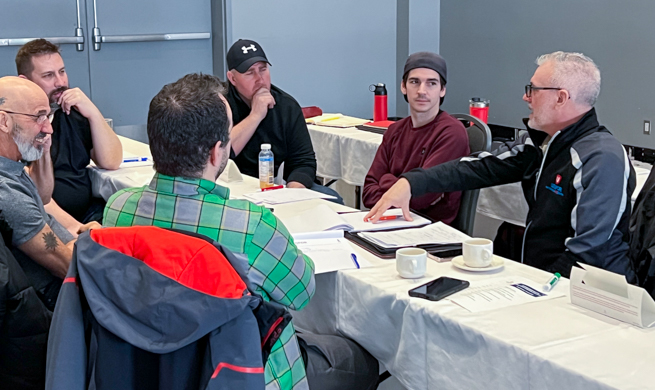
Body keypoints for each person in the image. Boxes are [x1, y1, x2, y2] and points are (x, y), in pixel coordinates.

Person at [104, 73, 377, 390]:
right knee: (363, 363)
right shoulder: (250, 225)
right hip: (246, 376)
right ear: (217, 152)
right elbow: (302, 293)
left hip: (154, 368)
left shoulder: (118, 211)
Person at [366, 51, 635, 277]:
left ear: (561, 97)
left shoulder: (600, 158)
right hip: (543, 278)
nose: (525, 98)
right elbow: (477, 168)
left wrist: (536, 291)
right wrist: (411, 181)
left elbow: (586, 255)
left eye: (532, 90)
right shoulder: (543, 144)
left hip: (587, 296)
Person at [0, 77, 98, 309]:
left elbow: (41, 197)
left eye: (48, 115)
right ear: (4, 121)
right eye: (38, 117)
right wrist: (93, 241)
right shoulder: (4, 194)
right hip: (57, 296)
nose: (49, 127)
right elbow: (67, 266)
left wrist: (41, 145)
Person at [16, 39, 122, 224]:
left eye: (62, 72)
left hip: (88, 213)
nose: (60, 82)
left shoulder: (71, 113)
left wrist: (92, 112)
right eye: (48, 75)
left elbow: (111, 161)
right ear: (25, 82)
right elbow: (32, 193)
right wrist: (78, 229)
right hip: (42, 219)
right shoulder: (13, 123)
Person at [224, 39, 341, 202]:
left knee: (333, 198)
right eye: (250, 73)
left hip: (275, 188)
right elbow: (221, 154)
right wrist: (255, 115)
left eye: (263, 70)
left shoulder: (286, 106)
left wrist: (292, 194)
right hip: (231, 189)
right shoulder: (220, 104)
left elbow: (304, 161)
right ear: (232, 78)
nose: (259, 79)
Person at [363, 52, 469, 223]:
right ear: (403, 87)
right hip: (388, 223)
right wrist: (401, 188)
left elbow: (421, 199)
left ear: (442, 90)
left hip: (430, 229)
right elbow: (368, 193)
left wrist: (386, 180)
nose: (422, 91)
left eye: (431, 83)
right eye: (414, 82)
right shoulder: (394, 130)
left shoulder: (451, 133)